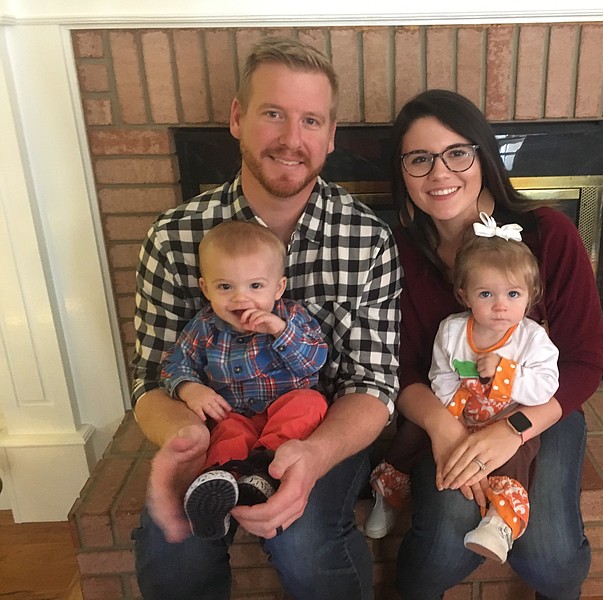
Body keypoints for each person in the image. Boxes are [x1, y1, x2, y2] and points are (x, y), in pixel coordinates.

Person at [130, 36, 402, 600]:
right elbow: (152, 379)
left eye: (311, 120)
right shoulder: (174, 236)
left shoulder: (368, 238)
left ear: (331, 135)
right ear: (237, 117)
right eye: (273, 113)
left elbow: (373, 385)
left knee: (305, 542)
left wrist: (314, 454)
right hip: (215, 426)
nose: (291, 139)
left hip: (316, 425)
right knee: (170, 538)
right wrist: (184, 438)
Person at [386, 89, 603, 600]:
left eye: (457, 153)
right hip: (448, 410)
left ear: (483, 155)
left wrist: (513, 430)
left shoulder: (548, 233)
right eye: (420, 159)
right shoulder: (396, 252)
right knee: (444, 540)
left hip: (538, 408)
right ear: (402, 171)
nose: (440, 174)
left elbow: (583, 362)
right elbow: (398, 369)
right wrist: (444, 429)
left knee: (550, 559)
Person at [364, 218, 559, 565]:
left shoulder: (531, 339)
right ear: (463, 294)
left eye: (513, 294)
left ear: (531, 296)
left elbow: (547, 385)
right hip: (459, 411)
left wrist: (507, 374)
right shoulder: (452, 331)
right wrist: (451, 410)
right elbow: (440, 374)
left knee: (519, 458)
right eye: (486, 294)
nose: (500, 306)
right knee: (410, 436)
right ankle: (389, 493)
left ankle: (501, 523)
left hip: (508, 415)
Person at [160, 221, 329, 540]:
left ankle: (262, 470)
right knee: (226, 433)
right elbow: (173, 364)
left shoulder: (291, 317)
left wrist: (280, 331)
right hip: (235, 414)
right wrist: (189, 388)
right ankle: (218, 489)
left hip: (285, 412)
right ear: (206, 288)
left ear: (277, 288)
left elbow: (314, 360)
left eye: (255, 286)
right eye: (225, 287)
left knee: (311, 403)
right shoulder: (204, 327)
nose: (241, 299)